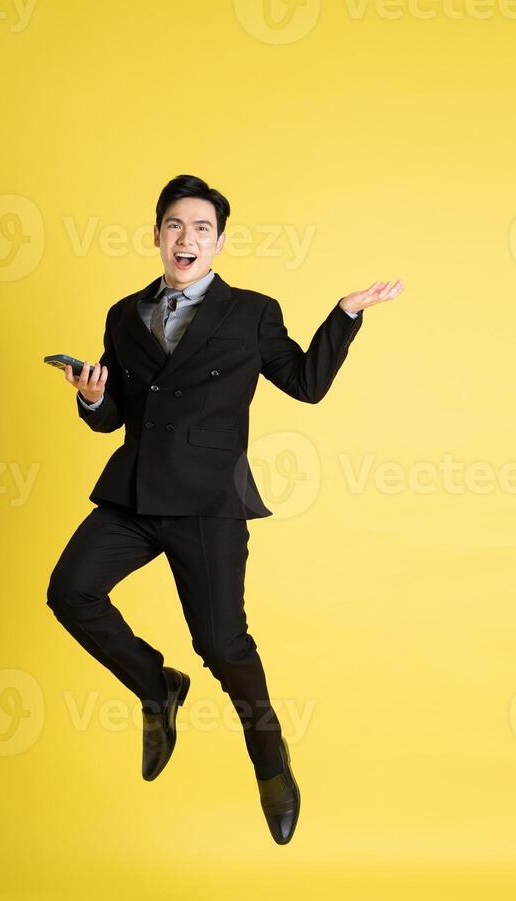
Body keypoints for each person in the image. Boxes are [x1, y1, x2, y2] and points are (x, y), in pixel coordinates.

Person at [46, 174, 404, 844]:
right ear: (157, 235)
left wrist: (345, 315)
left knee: (222, 643)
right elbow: (116, 415)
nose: (187, 239)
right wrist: (92, 398)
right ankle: (157, 686)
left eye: (201, 229)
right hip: (133, 493)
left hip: (209, 500)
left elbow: (306, 383)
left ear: (219, 242)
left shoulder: (251, 313)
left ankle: (270, 757)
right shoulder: (124, 316)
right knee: (70, 591)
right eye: (175, 226)